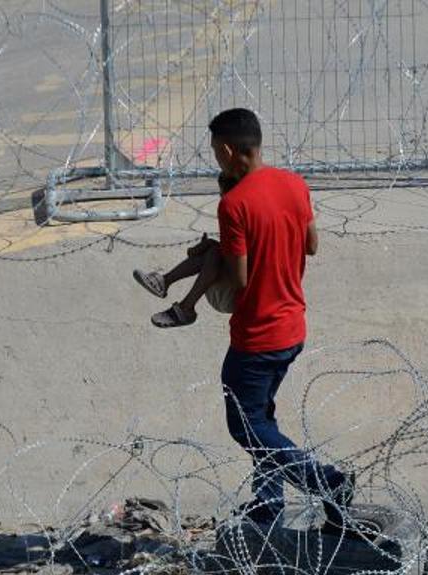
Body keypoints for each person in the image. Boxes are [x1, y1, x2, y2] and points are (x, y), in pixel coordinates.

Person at [202, 107, 351, 526]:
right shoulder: (294, 184)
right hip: (292, 327)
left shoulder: (233, 204)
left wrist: (210, 260)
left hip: (256, 335)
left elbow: (240, 278)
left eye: (216, 151)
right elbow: (312, 245)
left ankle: (325, 480)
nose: (216, 159)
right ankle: (268, 505)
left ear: (230, 151)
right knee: (262, 418)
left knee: (245, 426)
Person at [133, 172, 239, 328]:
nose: (222, 199)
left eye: (223, 194)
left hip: (236, 295)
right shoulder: (237, 213)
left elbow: (237, 263)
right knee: (213, 250)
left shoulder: (239, 215)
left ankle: (185, 307)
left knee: (214, 251)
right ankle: (166, 282)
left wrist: (207, 248)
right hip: (228, 287)